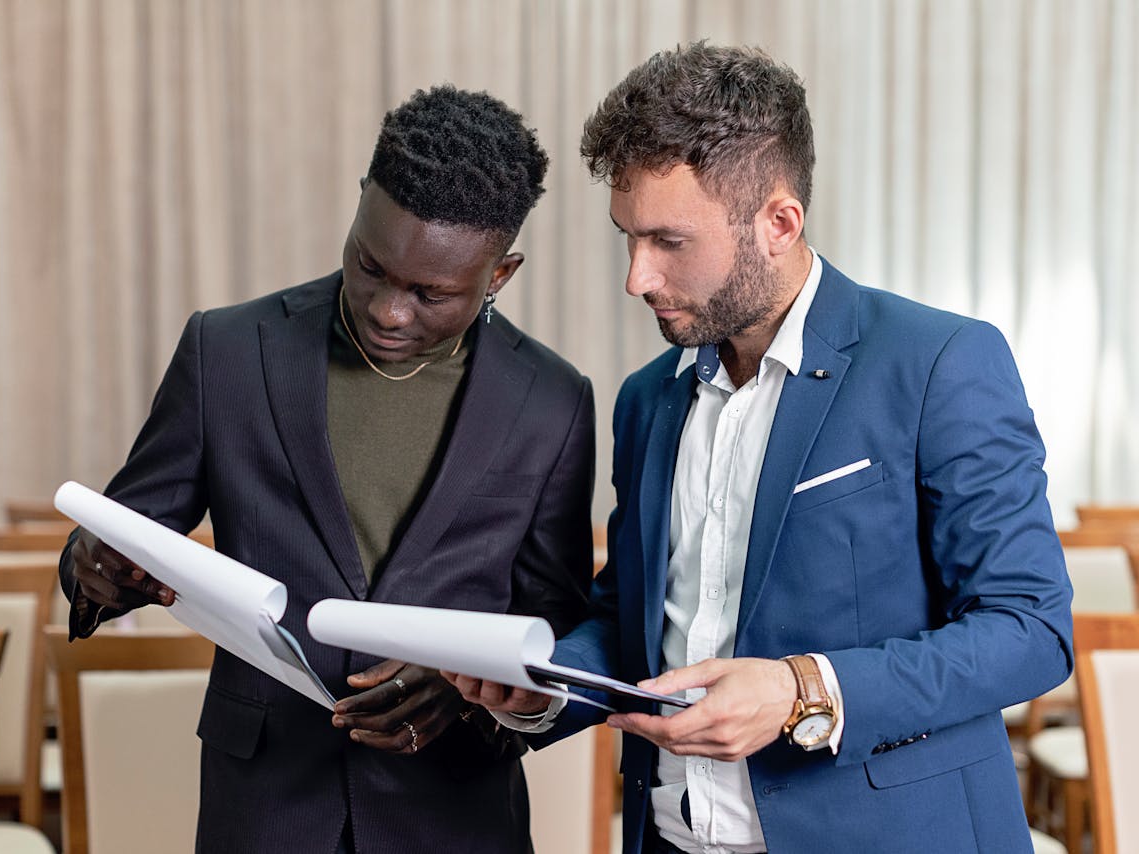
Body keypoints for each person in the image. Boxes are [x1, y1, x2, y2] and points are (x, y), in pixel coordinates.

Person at [447, 43, 1073, 854]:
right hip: (668, 837)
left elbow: (1031, 628)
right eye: (627, 238)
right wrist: (540, 687)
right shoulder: (647, 398)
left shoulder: (939, 363)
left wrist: (799, 690)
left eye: (669, 242)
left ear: (779, 223)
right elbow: (636, 614)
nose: (636, 277)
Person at [58, 85, 595, 854]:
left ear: (499, 276)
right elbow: (116, 538)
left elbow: (560, 624)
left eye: (430, 293)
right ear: (357, 208)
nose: (388, 310)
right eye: (370, 265)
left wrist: (465, 690)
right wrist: (91, 571)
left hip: (454, 813)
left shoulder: (553, 402)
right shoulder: (228, 352)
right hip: (265, 809)